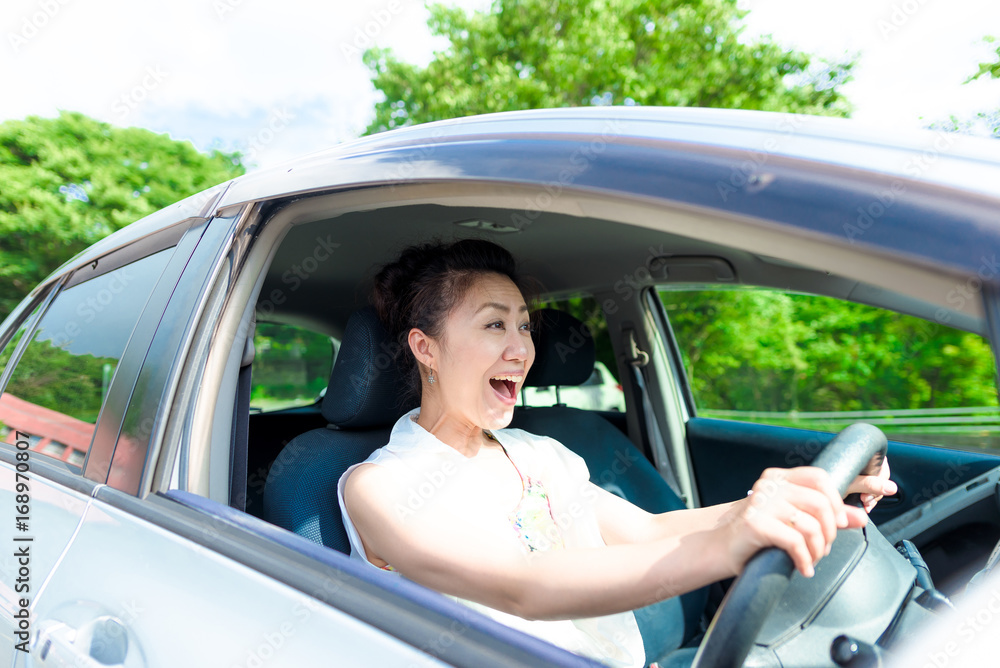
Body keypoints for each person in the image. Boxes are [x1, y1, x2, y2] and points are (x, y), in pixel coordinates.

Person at [338, 239, 896, 667]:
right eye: (494, 325)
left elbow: (650, 532)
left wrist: (793, 497)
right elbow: (521, 586)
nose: (522, 349)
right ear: (425, 348)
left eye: (525, 326)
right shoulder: (379, 487)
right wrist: (729, 545)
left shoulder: (539, 453)